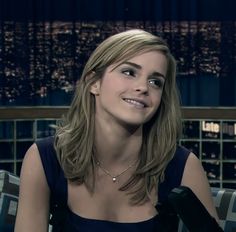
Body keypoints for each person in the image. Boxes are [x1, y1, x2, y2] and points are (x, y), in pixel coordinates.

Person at [15, 29, 219, 231]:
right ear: (94, 83)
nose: (143, 87)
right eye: (129, 72)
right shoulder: (45, 159)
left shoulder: (183, 167)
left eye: (155, 82)